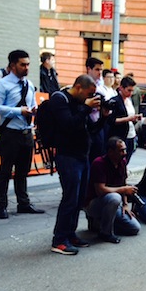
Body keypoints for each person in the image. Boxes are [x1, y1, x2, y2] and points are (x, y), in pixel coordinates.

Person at [51, 74, 101, 255]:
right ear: (79, 87)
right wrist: (86, 109)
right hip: (68, 156)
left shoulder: (82, 104)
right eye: (88, 93)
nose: (89, 98)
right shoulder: (60, 99)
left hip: (82, 156)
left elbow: (91, 130)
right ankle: (59, 240)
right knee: (70, 198)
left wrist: (103, 117)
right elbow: (68, 124)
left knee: (79, 199)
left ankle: (70, 234)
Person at [0, 49, 44, 219]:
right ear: (13, 65)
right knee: (5, 171)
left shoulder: (28, 84)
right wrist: (18, 111)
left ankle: (24, 203)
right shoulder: (3, 84)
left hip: (26, 133)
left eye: (28, 64)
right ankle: (2, 206)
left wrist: (34, 111)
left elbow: (32, 103)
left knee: (23, 171)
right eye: (23, 64)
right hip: (10, 133)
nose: (26, 67)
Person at [85, 137, 141, 243]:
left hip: (114, 204)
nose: (124, 153)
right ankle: (105, 233)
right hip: (94, 203)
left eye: (125, 149)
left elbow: (123, 183)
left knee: (134, 228)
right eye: (121, 150)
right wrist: (124, 189)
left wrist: (125, 204)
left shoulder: (122, 162)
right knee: (114, 197)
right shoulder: (99, 163)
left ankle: (99, 223)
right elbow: (100, 190)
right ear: (111, 152)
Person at [108, 76, 142, 162]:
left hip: (131, 134)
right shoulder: (115, 101)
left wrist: (135, 118)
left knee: (128, 156)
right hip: (120, 135)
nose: (131, 93)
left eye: (132, 90)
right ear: (121, 88)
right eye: (129, 90)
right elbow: (112, 120)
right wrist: (127, 119)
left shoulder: (129, 101)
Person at [85, 57, 108, 163]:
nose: (100, 73)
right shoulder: (83, 84)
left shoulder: (101, 86)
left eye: (101, 70)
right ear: (89, 69)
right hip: (87, 126)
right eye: (97, 70)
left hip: (100, 124)